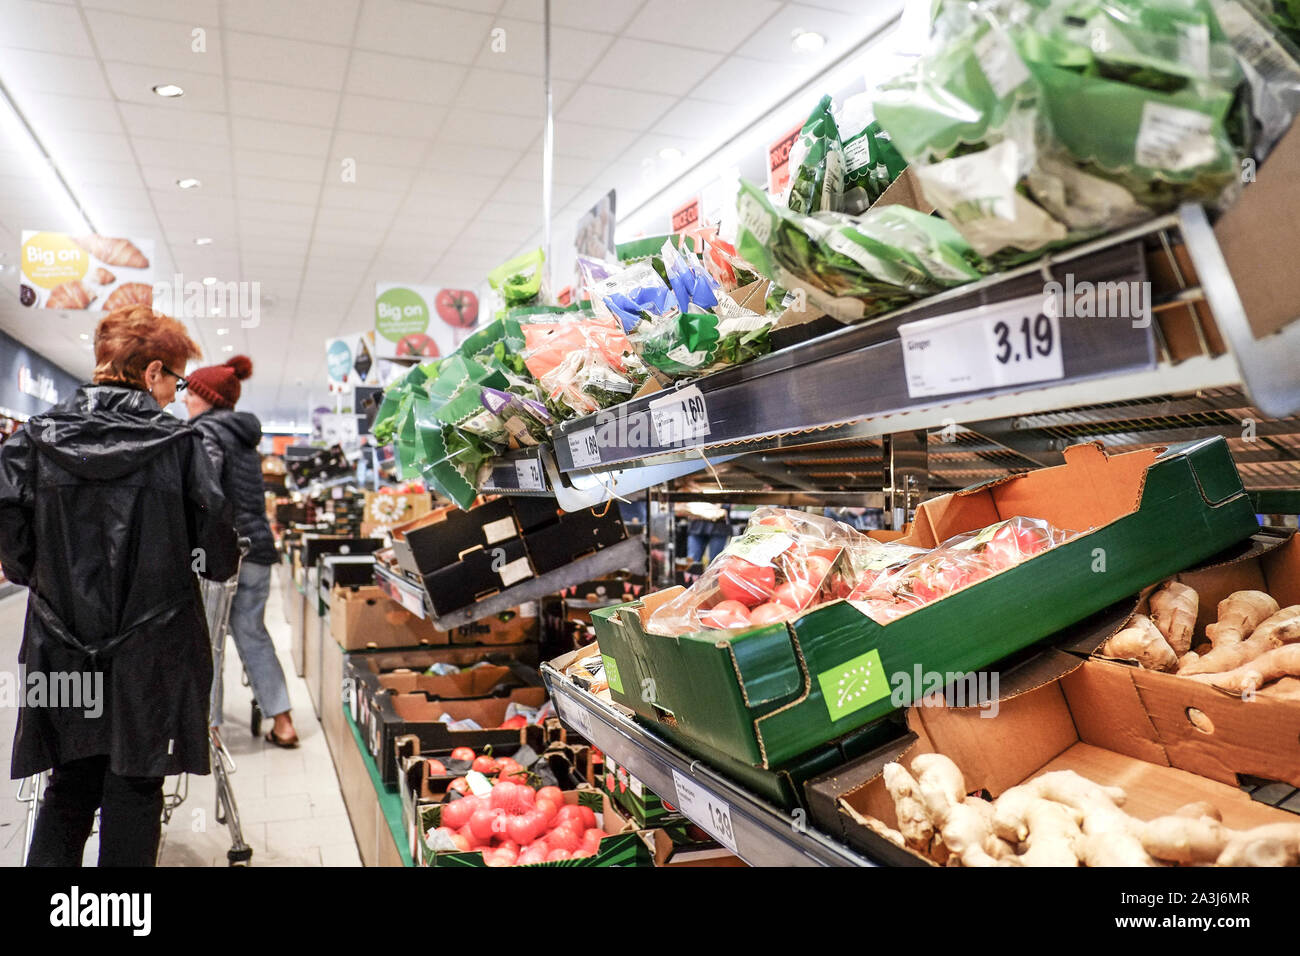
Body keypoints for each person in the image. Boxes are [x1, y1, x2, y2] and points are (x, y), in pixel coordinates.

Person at [0, 305, 238, 866]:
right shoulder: (182, 448)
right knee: (136, 786)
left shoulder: (33, 442)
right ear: (152, 371)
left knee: (68, 785)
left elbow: (13, 543)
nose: (178, 394)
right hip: (153, 655)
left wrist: (48, 578)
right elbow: (218, 555)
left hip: (61, 645)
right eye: (177, 380)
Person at [183, 355, 298, 748]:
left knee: (206, 638)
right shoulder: (244, 436)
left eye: (191, 392)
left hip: (222, 549)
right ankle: (283, 721)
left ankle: (209, 729)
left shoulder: (204, 433)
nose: (185, 400)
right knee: (252, 632)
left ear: (207, 397)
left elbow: (206, 491)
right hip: (258, 546)